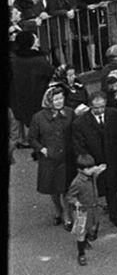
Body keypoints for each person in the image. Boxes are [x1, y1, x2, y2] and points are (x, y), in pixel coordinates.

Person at [28, 86, 76, 226]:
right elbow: (32, 138)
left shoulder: (70, 113)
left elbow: (76, 131)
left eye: (61, 98)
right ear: (49, 100)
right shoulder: (38, 117)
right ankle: (58, 210)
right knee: (53, 188)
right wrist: (42, 149)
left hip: (67, 158)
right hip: (49, 159)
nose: (59, 101)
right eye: (56, 99)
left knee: (66, 189)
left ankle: (67, 214)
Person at [66, 151, 105, 265]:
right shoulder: (77, 182)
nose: (92, 170)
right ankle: (81, 253)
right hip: (81, 211)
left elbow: (95, 172)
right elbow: (69, 196)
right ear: (80, 169)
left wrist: (98, 169)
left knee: (90, 227)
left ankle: (85, 242)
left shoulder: (90, 175)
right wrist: (76, 202)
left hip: (92, 208)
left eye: (92, 167)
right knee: (81, 232)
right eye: (89, 168)